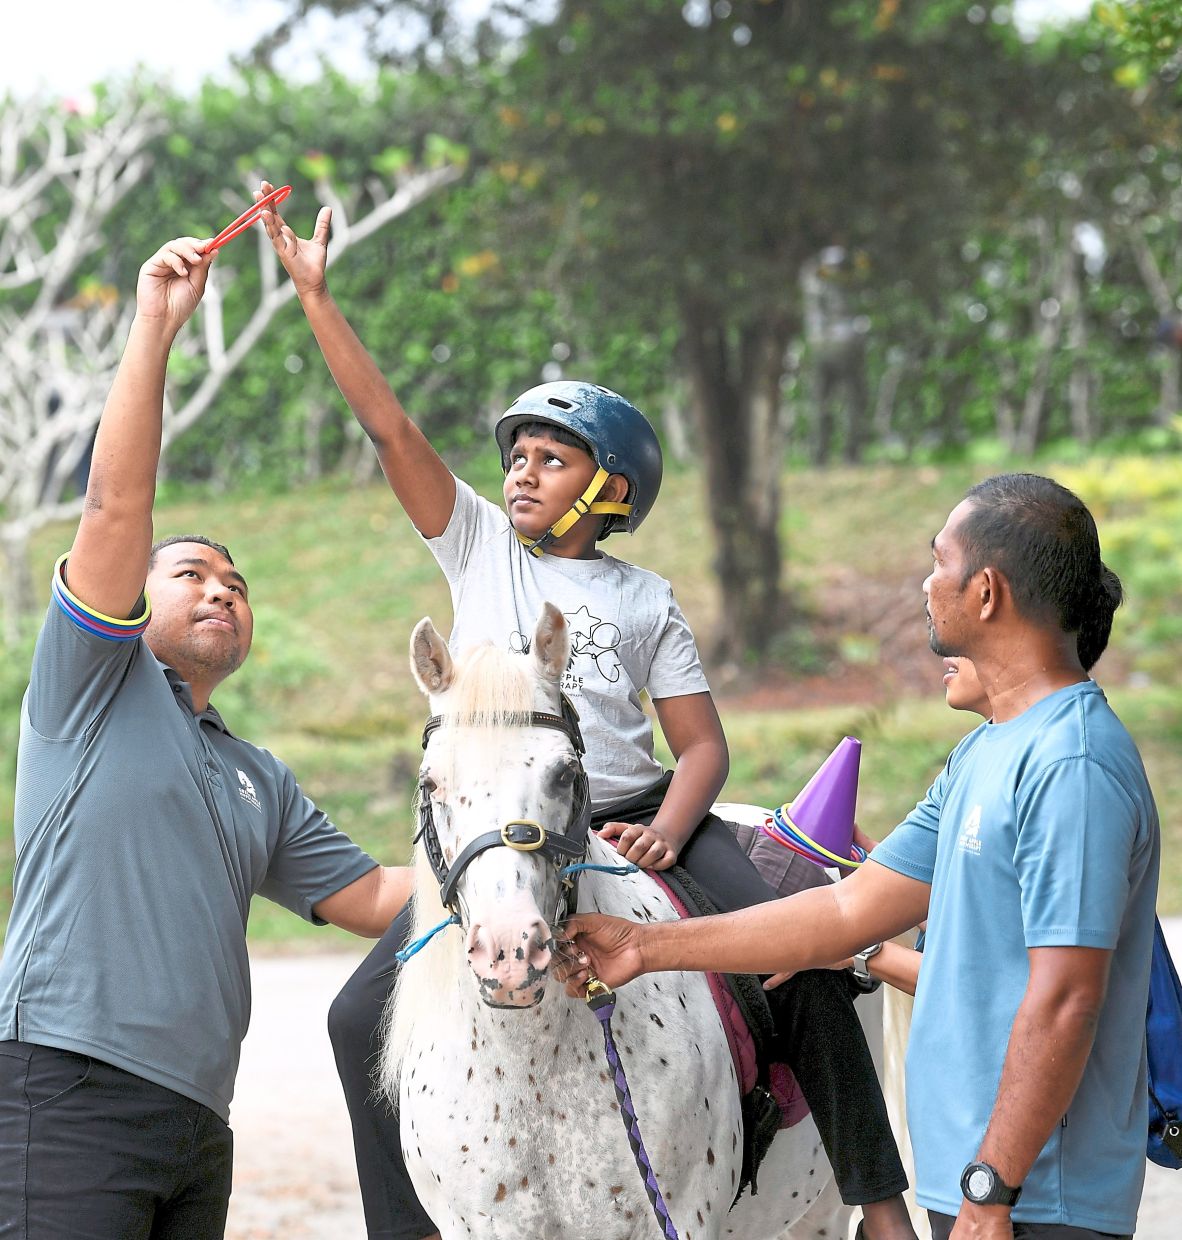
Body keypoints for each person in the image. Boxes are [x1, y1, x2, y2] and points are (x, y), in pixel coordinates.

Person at [258, 185, 917, 1240]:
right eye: (516, 457)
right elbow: (388, 430)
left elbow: (702, 746)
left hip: (638, 815)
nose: (521, 473)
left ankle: (877, 1204)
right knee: (355, 1017)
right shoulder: (476, 546)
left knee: (794, 963)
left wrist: (669, 830)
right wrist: (315, 298)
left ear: (609, 489)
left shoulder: (645, 598)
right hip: (498, 826)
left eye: (550, 459)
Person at [560, 474, 1159, 1240]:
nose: (925, 584)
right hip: (982, 1184)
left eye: (938, 562)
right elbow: (845, 910)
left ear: (986, 593)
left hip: (1038, 1197)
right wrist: (645, 946)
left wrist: (991, 1189)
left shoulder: (1071, 763)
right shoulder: (985, 752)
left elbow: (1067, 998)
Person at [0, 237, 414, 1239]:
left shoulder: (255, 775)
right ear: (134, 598)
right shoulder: (89, 686)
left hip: (199, 1122)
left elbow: (374, 898)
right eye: (190, 574)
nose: (221, 589)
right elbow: (116, 506)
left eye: (236, 584)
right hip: (66, 1085)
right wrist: (155, 324)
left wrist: (529, 855)